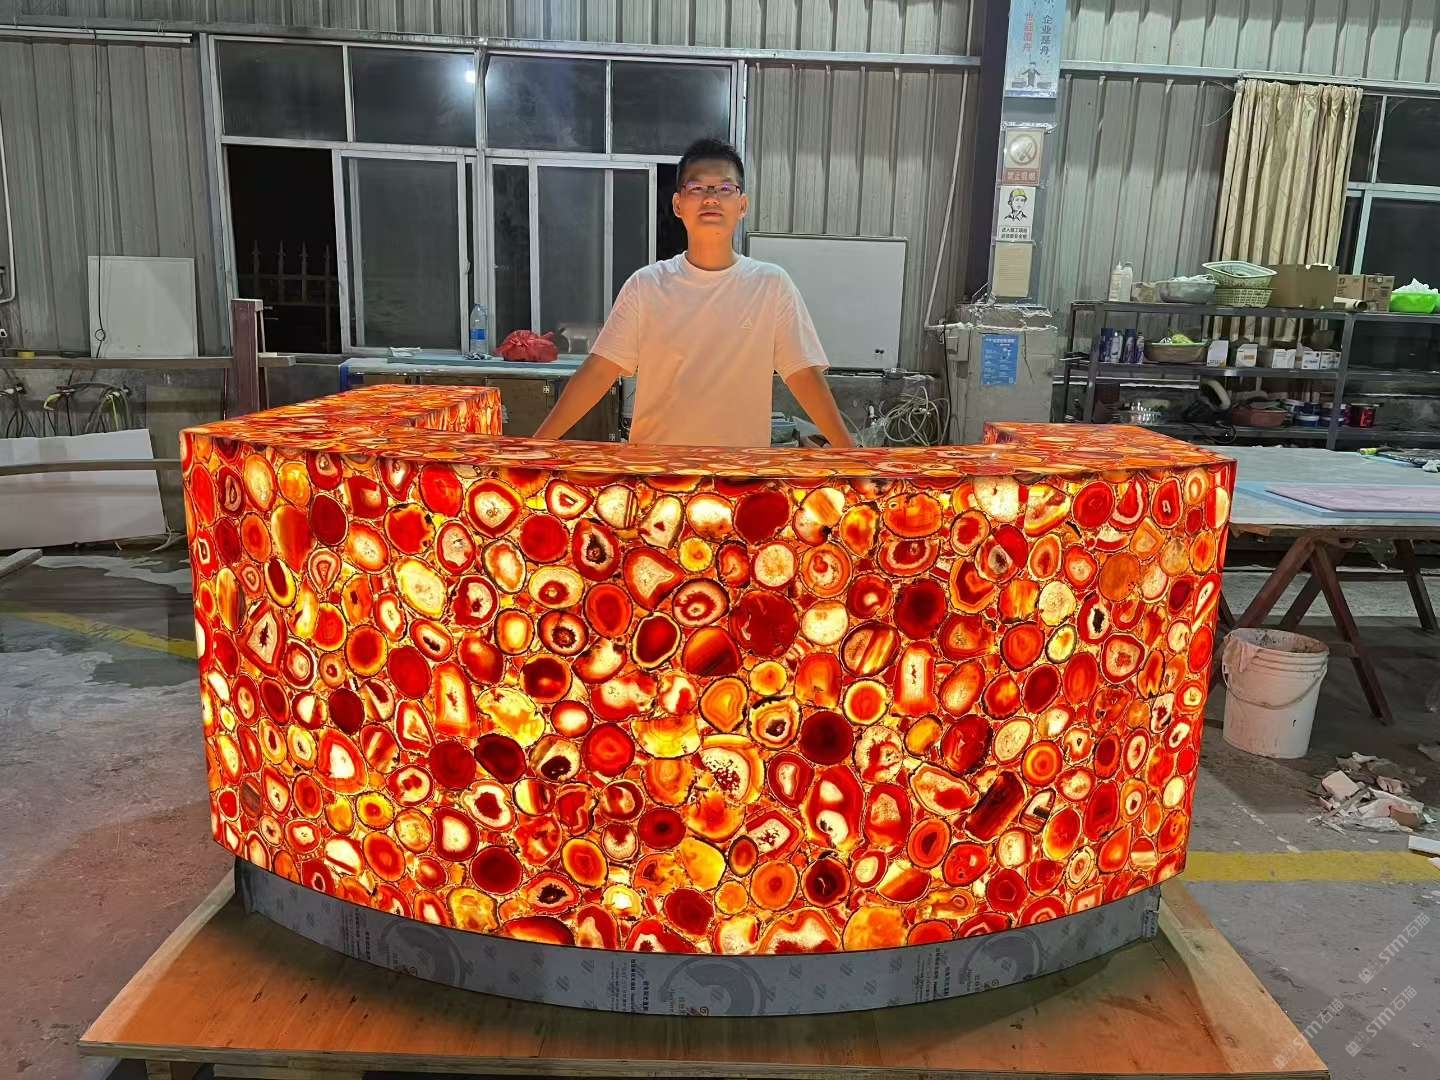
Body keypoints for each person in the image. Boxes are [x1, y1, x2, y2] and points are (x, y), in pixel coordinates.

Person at [533, 137, 855, 449]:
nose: (711, 198)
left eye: (725, 188)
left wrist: (852, 458)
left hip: (737, 474)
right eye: (697, 188)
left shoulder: (770, 286)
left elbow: (804, 375)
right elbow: (599, 371)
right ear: (678, 204)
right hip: (658, 472)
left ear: (742, 205)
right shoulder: (647, 286)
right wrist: (535, 447)